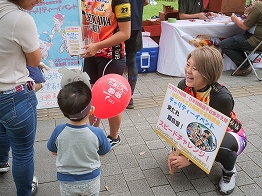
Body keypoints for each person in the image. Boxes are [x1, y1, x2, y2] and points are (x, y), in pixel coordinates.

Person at [167, 47, 247, 195]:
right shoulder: (183, 85)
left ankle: (229, 171)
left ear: (208, 72)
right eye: (188, 64)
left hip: (226, 134)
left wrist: (189, 159)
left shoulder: (221, 98)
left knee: (223, 150)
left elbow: (212, 136)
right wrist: (176, 150)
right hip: (198, 129)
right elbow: (179, 120)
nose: (188, 70)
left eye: (195, 68)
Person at [0, 0, 42, 195]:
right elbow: (34, 60)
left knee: (1, 129)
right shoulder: (20, 19)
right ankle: (25, 192)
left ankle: (1, 162)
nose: (40, 0)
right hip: (14, 95)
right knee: (23, 152)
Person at [80, 0, 131, 148]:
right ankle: (94, 133)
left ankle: (114, 137)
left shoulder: (120, 1)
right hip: (91, 54)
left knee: (111, 98)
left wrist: (98, 46)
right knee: (91, 97)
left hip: (111, 56)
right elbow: (85, 24)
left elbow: (125, 33)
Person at [47, 81, 111, 196]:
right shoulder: (97, 132)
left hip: (66, 180)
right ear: (91, 111)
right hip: (91, 179)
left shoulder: (59, 130)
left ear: (63, 112)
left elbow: (52, 150)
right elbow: (104, 151)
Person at [220, 1, 262, 76]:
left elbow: (244, 27)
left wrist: (234, 18)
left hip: (255, 40)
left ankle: (245, 66)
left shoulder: (259, 6)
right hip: (257, 39)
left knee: (225, 44)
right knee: (235, 41)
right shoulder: (257, 5)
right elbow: (248, 14)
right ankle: (246, 64)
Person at [125, 0, 149, 109]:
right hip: (136, 23)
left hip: (119, 24)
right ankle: (129, 98)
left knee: (116, 60)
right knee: (132, 60)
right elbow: (146, 2)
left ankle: (117, 95)